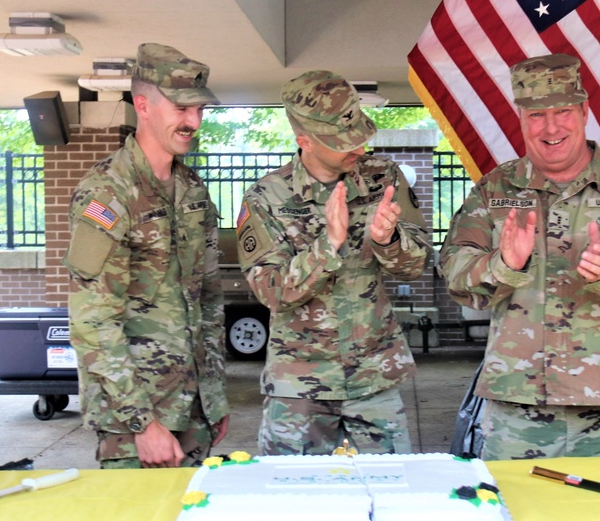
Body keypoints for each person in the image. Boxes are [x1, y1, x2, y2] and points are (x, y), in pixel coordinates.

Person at [440, 53, 600, 460]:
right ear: (521, 119)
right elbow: (455, 275)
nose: (551, 127)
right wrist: (504, 265)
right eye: (536, 115)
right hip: (517, 406)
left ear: (585, 111)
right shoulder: (496, 189)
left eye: (563, 111)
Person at [237, 70, 431, 455]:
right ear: (304, 140)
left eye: (359, 133)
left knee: (390, 498)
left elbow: (417, 265)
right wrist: (328, 245)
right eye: (344, 141)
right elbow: (271, 291)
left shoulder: (384, 179)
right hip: (299, 386)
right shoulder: (266, 197)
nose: (359, 147)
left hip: (374, 377)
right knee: (296, 503)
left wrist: (388, 240)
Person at [63, 43, 229, 468]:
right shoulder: (109, 193)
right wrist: (143, 424)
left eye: (199, 110)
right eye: (181, 108)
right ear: (143, 105)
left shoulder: (192, 189)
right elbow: (93, 320)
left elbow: (207, 298)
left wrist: (212, 396)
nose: (193, 121)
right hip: (133, 420)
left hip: (193, 408)